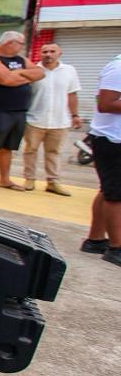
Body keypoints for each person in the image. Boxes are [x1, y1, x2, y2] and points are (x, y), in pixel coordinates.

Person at [0, 30, 44, 192]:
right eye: (21, 44)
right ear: (10, 43)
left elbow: (40, 73)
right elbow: (7, 80)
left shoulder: (21, 60)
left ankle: (4, 179)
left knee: (8, 147)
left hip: (18, 110)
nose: (22, 47)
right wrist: (25, 77)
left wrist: (19, 73)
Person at [21, 43, 82, 195]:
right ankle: (29, 179)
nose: (48, 54)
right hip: (35, 119)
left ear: (59, 53)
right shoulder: (34, 71)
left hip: (59, 121)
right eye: (45, 51)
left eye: (52, 51)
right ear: (40, 54)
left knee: (54, 152)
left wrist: (75, 115)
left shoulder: (69, 71)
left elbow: (72, 94)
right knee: (30, 150)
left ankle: (53, 182)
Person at [82, 52, 121, 267]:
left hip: (113, 138)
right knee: (115, 195)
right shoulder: (118, 68)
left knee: (108, 190)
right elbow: (105, 104)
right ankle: (117, 248)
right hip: (112, 139)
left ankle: (95, 240)